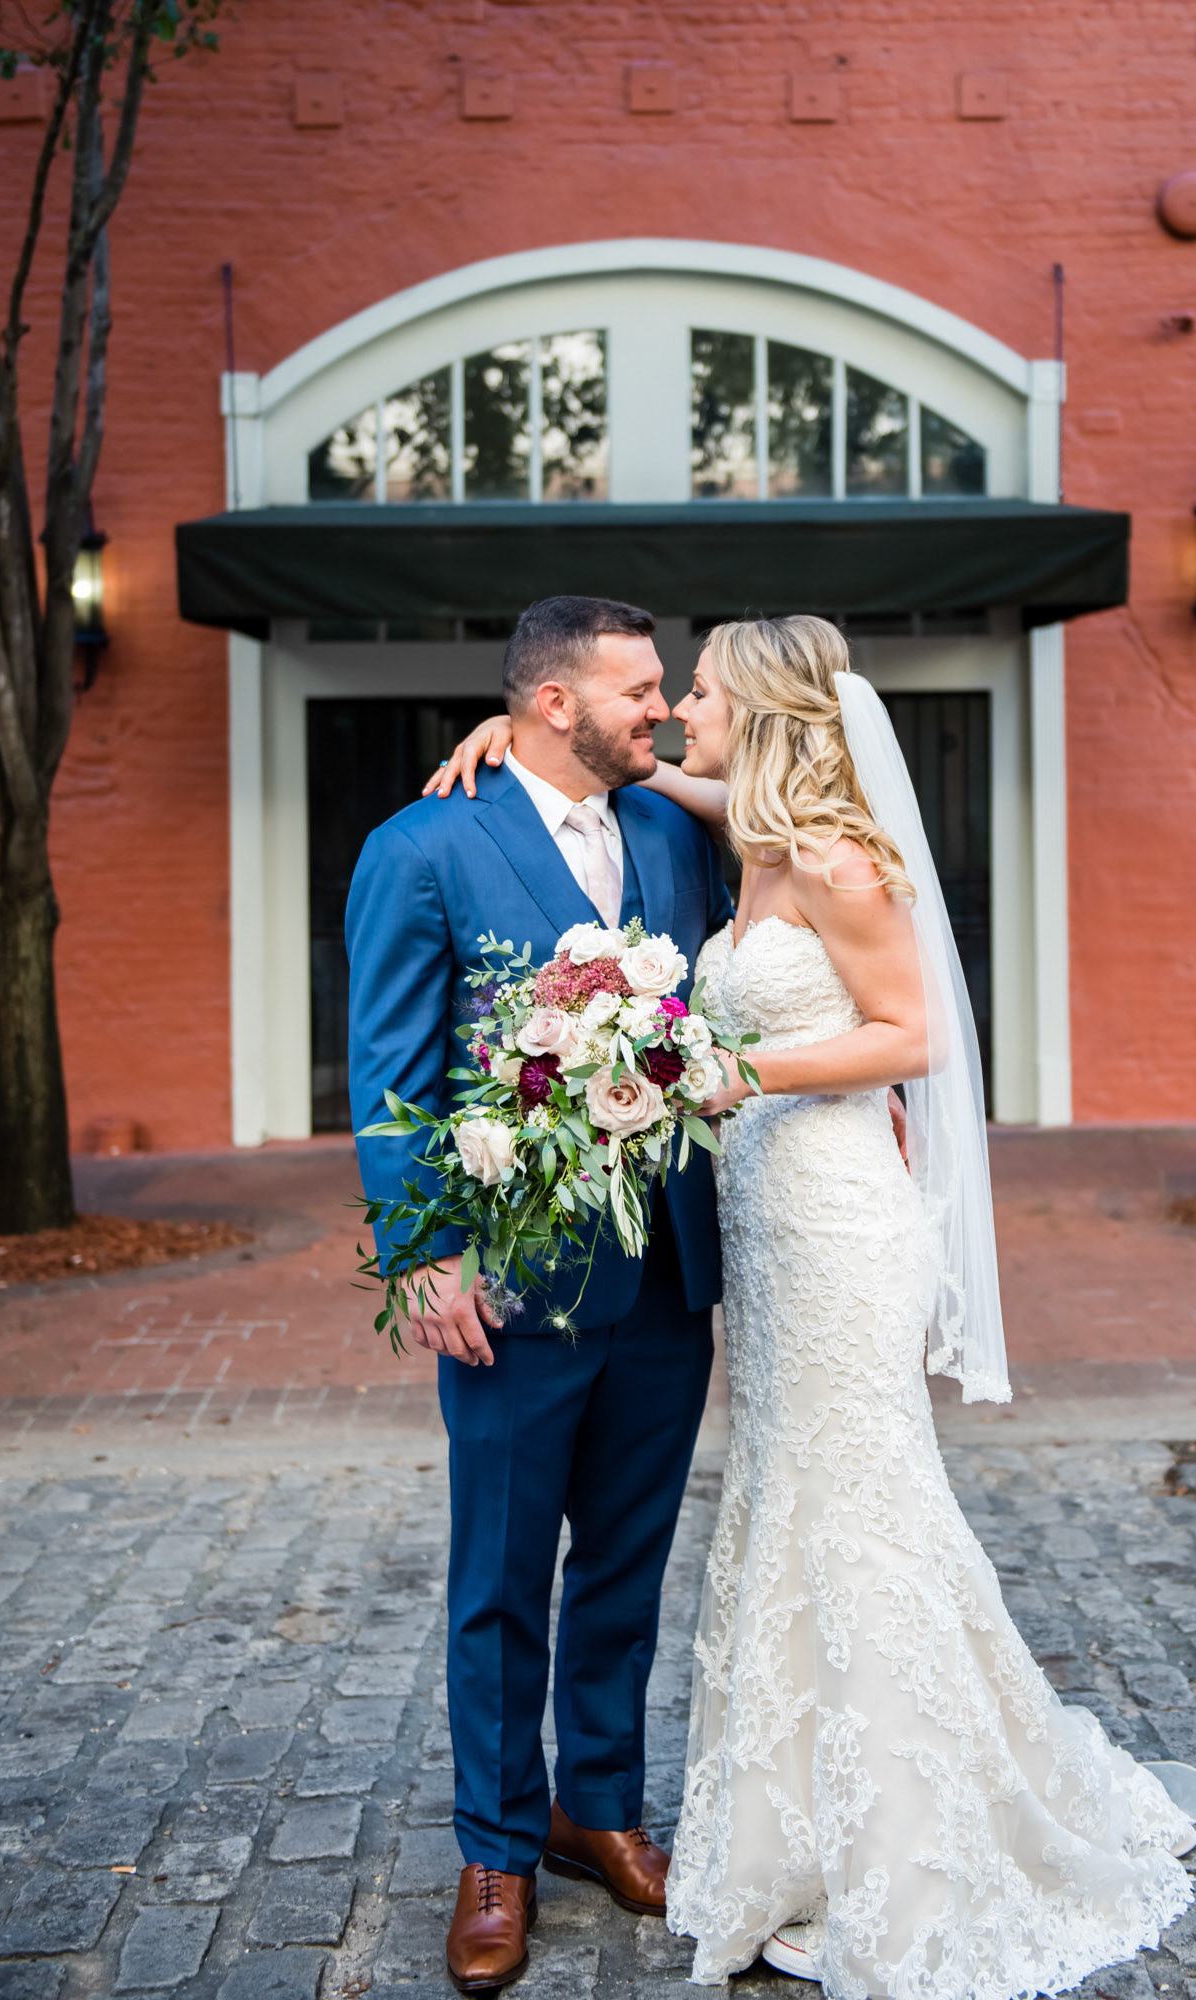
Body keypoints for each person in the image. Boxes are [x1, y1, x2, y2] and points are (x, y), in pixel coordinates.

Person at [433, 614, 1196, 2000]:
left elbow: (915, 1036)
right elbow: (650, 778)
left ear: (768, 710)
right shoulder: (762, 833)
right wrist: (514, 738)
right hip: (768, 1234)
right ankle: (799, 1825)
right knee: (791, 1499)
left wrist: (750, 1078)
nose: (679, 711)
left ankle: (903, 1847)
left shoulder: (840, 856)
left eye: (702, 692)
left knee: (857, 1509)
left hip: (838, 1218)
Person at [346, 596, 732, 1994]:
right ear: (556, 704)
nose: (664, 708)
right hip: (512, 1285)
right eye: (637, 689)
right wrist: (420, 1247)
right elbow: (389, 1062)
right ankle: (498, 1846)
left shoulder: (682, 838)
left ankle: (600, 1812)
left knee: (628, 1566)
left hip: (670, 1271)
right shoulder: (423, 847)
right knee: (500, 1579)